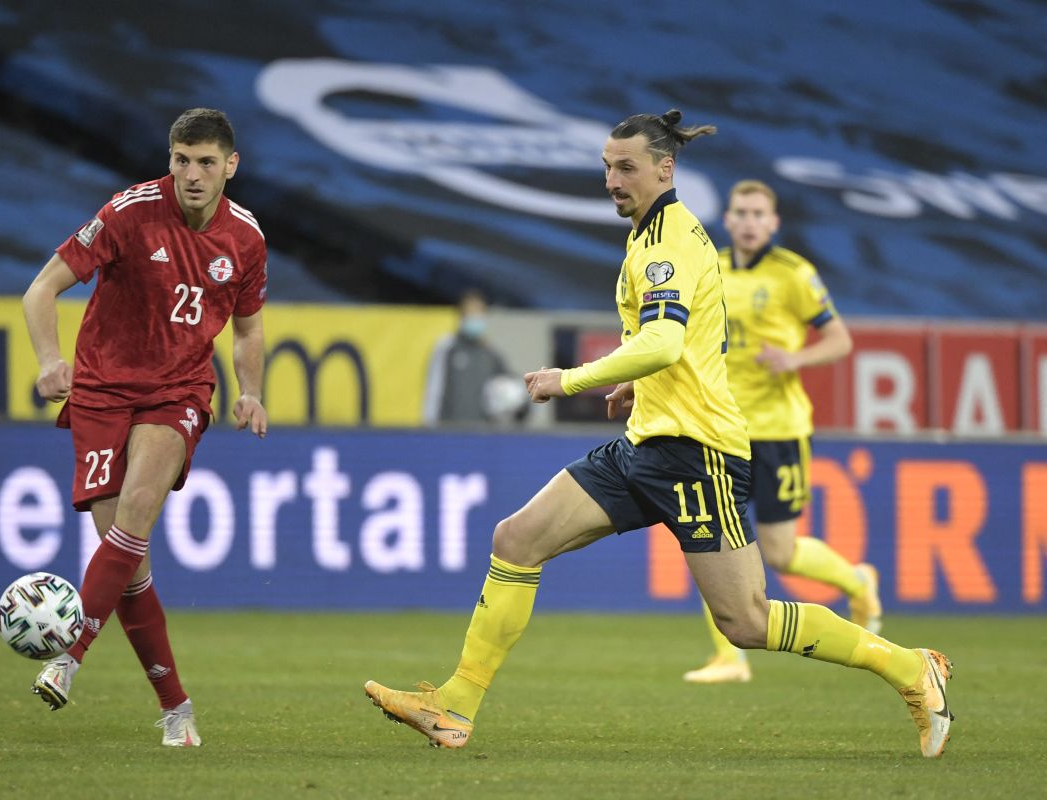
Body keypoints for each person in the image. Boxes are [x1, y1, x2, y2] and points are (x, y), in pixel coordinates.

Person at [363, 110, 953, 758]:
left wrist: (574, 379)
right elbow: (689, 343)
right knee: (517, 538)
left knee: (747, 621)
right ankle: (454, 706)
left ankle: (909, 667)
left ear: (664, 170)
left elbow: (666, 338)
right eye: (607, 167)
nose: (613, 180)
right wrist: (639, 386)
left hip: (698, 455)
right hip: (647, 442)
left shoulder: (670, 238)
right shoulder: (650, 237)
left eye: (626, 167)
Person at [21, 107, 268, 747]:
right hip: (101, 390)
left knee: (136, 511)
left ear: (230, 166)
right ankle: (176, 708)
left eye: (206, 162)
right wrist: (51, 361)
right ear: (171, 159)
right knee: (129, 566)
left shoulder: (246, 238)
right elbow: (40, 290)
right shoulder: (129, 212)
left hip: (178, 389)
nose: (191, 174)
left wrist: (252, 392)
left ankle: (67, 656)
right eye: (181, 160)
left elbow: (248, 328)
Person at [683, 179, 879, 684]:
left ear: (773, 223)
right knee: (707, 535)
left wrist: (794, 358)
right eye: (740, 212)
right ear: (726, 219)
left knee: (779, 552)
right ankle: (729, 657)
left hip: (779, 430)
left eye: (757, 214)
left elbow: (838, 340)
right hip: (721, 425)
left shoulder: (794, 274)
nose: (748, 222)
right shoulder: (709, 268)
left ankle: (857, 581)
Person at [422, 288, 522, 426]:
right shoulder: (446, 348)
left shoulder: (491, 353)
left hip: (482, 435)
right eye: (470, 313)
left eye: (479, 313)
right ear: (461, 316)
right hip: (449, 432)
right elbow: (434, 392)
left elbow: (511, 387)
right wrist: (430, 428)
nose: (475, 317)